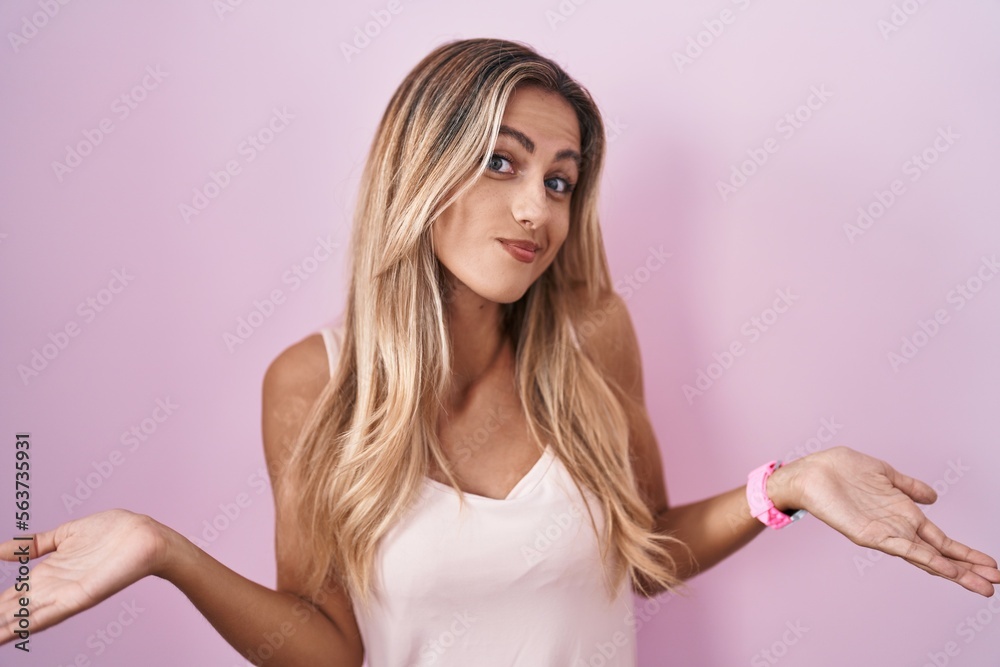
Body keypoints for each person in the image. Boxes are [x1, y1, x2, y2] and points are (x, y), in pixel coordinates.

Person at [1, 38, 997, 666]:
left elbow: (644, 552)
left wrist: (790, 484)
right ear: (420, 170)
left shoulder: (592, 336)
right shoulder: (311, 384)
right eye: (500, 162)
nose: (536, 209)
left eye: (560, 180)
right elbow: (328, 647)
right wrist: (162, 550)